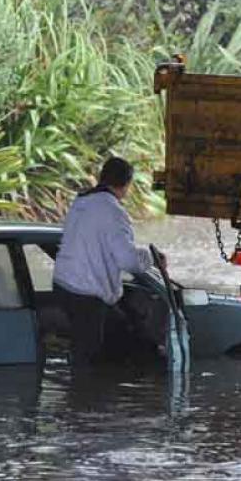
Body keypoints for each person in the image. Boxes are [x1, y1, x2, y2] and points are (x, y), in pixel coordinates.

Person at [53, 156, 164, 366]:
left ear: (102, 178)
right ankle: (83, 394)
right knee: (88, 357)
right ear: (126, 185)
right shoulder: (113, 211)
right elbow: (127, 260)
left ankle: (84, 389)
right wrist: (153, 258)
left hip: (64, 286)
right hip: (86, 294)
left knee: (95, 340)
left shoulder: (81, 202)